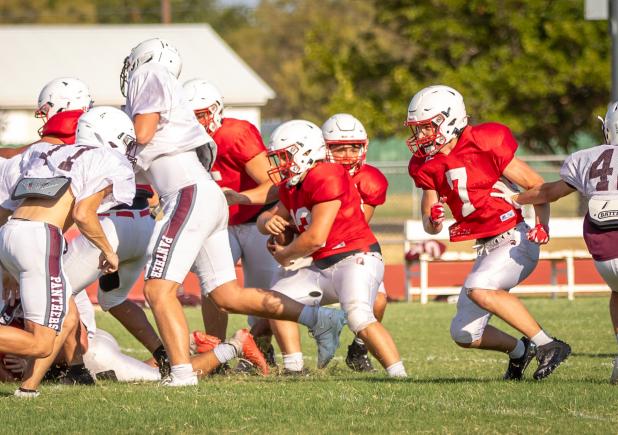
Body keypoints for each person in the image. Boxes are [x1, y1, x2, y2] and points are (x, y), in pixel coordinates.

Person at [121, 38, 345, 386]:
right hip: (204, 195)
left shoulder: (148, 73)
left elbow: (143, 134)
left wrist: (114, 147)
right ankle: (318, 319)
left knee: (157, 289)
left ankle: (181, 372)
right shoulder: (172, 100)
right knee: (226, 295)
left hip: (186, 193)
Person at [406, 85, 570, 381]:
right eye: (417, 130)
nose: (420, 137)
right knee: (464, 334)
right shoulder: (426, 165)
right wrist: (432, 218)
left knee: (479, 289)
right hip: (485, 248)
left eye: (427, 128)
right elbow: (431, 226)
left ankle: (548, 345)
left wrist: (542, 225)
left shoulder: (484, 141)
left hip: (514, 237)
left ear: (450, 120)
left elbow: (538, 186)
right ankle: (521, 351)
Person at [0, 106, 137, 397]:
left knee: (67, 316)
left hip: (11, 231)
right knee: (41, 343)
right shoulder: (108, 159)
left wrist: (9, 262)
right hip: (40, 238)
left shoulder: (48, 153)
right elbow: (84, 213)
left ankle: (28, 389)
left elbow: (7, 206)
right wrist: (107, 249)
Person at [257, 120, 407, 377]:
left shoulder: (327, 175)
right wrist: (267, 222)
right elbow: (268, 217)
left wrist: (285, 253)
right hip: (322, 265)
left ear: (305, 152)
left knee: (359, 317)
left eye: (286, 156)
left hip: (355, 259)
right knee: (275, 300)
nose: (281, 164)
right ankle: (294, 369)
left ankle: (399, 375)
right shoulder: (296, 184)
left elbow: (315, 238)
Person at [492, 101, 618, 383]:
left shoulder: (587, 158)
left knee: (617, 292)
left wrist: (515, 198)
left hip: (605, 253)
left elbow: (549, 191)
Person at [62, 107, 166, 377]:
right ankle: (162, 354)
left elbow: (81, 211)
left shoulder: (93, 157)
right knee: (113, 298)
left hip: (110, 225)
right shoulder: (125, 161)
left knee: (57, 289)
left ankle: (74, 366)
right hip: (144, 224)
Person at [183, 79, 279, 366]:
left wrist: (239, 198)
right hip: (219, 223)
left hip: (255, 220)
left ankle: (262, 348)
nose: (194, 123)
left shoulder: (235, 133)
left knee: (264, 292)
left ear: (214, 111)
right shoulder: (179, 139)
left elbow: (274, 185)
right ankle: (215, 355)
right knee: (212, 287)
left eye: (199, 115)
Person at [322, 113, 390, 372]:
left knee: (379, 301)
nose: (348, 154)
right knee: (277, 301)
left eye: (354, 147)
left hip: (348, 249)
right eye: (339, 148)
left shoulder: (369, 179)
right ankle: (262, 347)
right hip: (309, 249)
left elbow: (357, 225)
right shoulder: (313, 175)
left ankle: (359, 350)